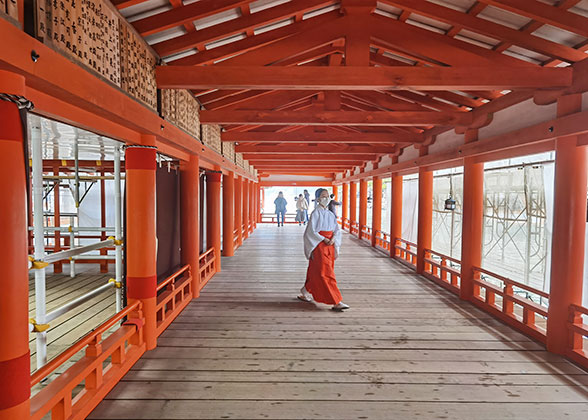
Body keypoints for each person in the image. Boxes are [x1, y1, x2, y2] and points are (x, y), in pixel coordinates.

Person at [298, 188, 349, 311]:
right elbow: (311, 231)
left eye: (328, 196)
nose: (326, 198)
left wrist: (333, 238)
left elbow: (336, 229)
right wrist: (323, 239)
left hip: (330, 245)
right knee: (325, 273)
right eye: (323, 196)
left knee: (317, 270)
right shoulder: (315, 213)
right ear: (318, 199)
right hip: (319, 245)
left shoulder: (331, 214)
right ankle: (336, 301)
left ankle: (304, 292)